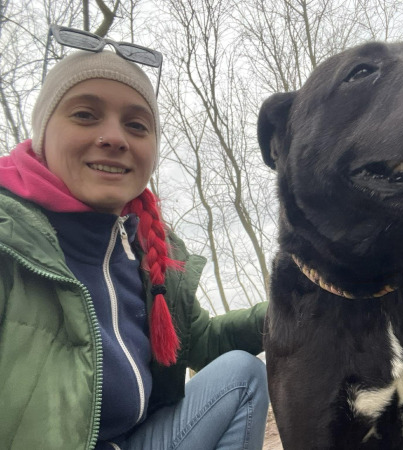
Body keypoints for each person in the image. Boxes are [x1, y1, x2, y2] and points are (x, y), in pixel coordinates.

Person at [0, 26, 269, 450]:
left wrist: (292, 307)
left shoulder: (145, 248)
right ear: (42, 134)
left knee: (241, 374)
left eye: (137, 125)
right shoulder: (10, 236)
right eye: (85, 114)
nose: (114, 138)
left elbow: (200, 341)